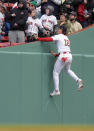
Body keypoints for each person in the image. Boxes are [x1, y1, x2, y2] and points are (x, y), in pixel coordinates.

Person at [36, 25, 83, 96]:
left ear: (61, 30)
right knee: (68, 70)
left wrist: (39, 38)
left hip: (63, 56)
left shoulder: (59, 36)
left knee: (55, 72)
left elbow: (49, 39)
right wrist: (56, 55)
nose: (58, 30)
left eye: (59, 29)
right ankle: (78, 80)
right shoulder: (66, 38)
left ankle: (56, 90)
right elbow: (64, 49)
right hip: (69, 56)